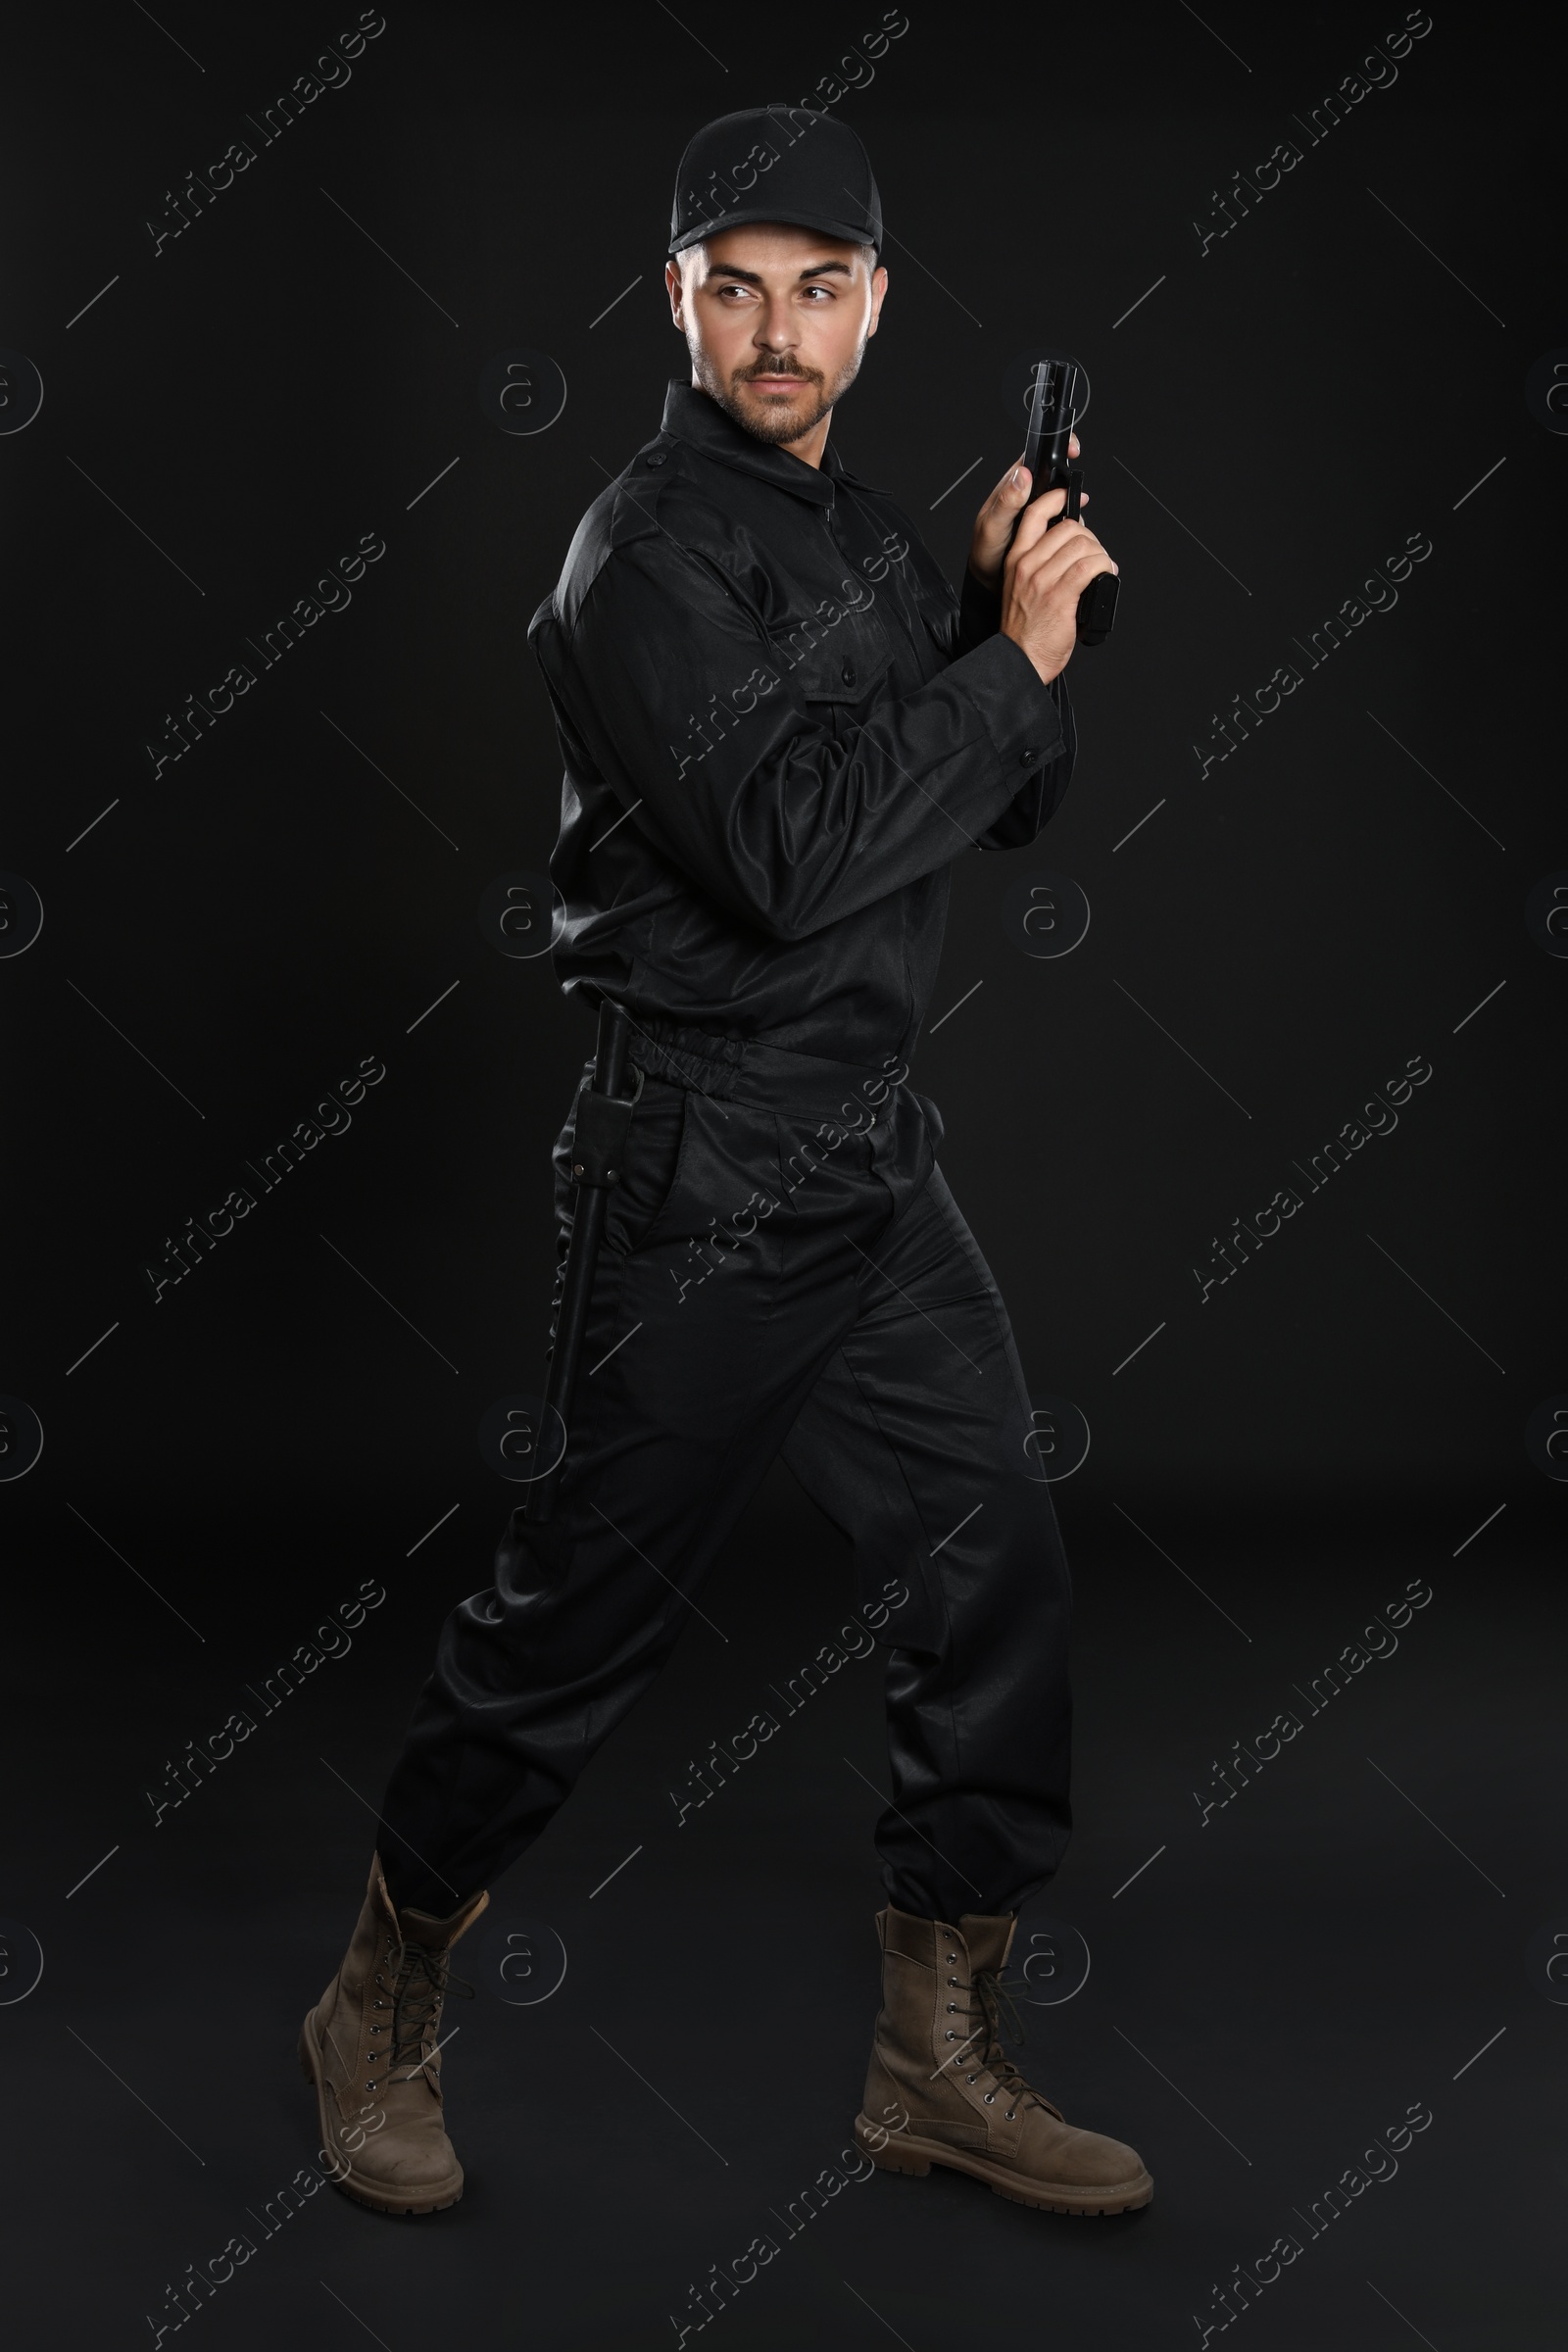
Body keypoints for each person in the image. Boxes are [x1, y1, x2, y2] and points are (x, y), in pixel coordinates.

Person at [300, 103, 1152, 2222]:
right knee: (566, 1632)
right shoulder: (639, 560)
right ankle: (376, 1999)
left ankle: (930, 2063)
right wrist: (1007, 675)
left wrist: (988, 611)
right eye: (736, 285)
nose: (777, 330)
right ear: (672, 294)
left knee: (997, 1574)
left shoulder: (859, 537)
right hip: (699, 1170)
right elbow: (782, 863)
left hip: (869, 1161)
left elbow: (974, 806)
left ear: (875, 305)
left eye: (821, 287)